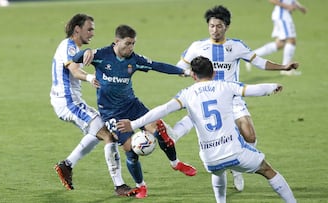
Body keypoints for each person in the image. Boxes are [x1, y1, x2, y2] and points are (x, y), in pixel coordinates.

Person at [117, 56, 297, 203]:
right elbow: (252, 90)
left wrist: (133, 124)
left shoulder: (186, 94)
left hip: (210, 158)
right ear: (215, 72)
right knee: (267, 170)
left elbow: (162, 110)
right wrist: (272, 87)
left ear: (193, 75)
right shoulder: (225, 86)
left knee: (218, 172)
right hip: (234, 151)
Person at [163, 5, 299, 192]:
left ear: (226, 26)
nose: (214, 30)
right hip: (205, 95)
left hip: (232, 97)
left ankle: (238, 169)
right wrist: (186, 72)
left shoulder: (236, 46)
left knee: (249, 135)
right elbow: (180, 66)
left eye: (219, 26)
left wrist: (284, 67)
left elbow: (260, 62)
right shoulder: (198, 46)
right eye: (211, 26)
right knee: (198, 120)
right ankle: (172, 135)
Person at [72, 24, 196, 199]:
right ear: (117, 41)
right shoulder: (100, 55)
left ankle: (175, 163)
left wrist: (184, 71)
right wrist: (85, 53)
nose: (131, 48)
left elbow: (157, 65)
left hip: (132, 106)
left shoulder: (134, 60)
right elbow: (73, 59)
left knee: (160, 131)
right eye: (128, 44)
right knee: (131, 149)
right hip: (112, 113)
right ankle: (141, 186)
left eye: (133, 44)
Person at [50, 14, 137, 196]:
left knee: (98, 131)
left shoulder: (71, 47)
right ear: (77, 30)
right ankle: (119, 186)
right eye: (89, 29)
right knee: (109, 136)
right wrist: (89, 77)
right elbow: (73, 69)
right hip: (68, 101)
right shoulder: (69, 46)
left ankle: (67, 165)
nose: (92, 33)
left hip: (68, 100)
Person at [245, 0, 307, 75]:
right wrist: (288, 6)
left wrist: (300, 7)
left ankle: (252, 56)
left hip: (284, 16)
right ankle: (286, 70)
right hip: (282, 17)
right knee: (291, 40)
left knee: (281, 44)